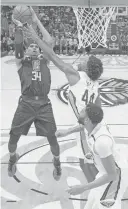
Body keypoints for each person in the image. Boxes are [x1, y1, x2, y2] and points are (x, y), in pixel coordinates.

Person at [24, 19, 103, 182]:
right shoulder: (95, 84)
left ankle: (98, 194)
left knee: (87, 165)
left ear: (87, 68)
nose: (82, 58)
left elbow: (52, 55)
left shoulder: (76, 77)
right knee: (91, 163)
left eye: (85, 60)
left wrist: (35, 38)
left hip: (86, 130)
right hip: (97, 128)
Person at [8, 7, 62, 181]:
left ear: (39, 50)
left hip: (44, 104)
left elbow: (49, 40)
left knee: (52, 137)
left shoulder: (44, 60)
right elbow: (17, 45)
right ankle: (12, 157)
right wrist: (18, 27)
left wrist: (36, 20)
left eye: (35, 46)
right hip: (26, 103)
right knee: (13, 137)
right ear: (26, 50)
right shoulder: (21, 62)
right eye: (30, 45)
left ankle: (57, 161)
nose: (33, 47)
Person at [56, 103, 128, 209]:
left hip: (116, 177)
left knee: (103, 205)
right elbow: (82, 126)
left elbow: (112, 175)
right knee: (91, 205)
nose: (79, 112)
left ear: (87, 120)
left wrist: (83, 188)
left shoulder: (101, 143)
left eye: (82, 112)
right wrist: (67, 131)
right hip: (105, 172)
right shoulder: (97, 124)